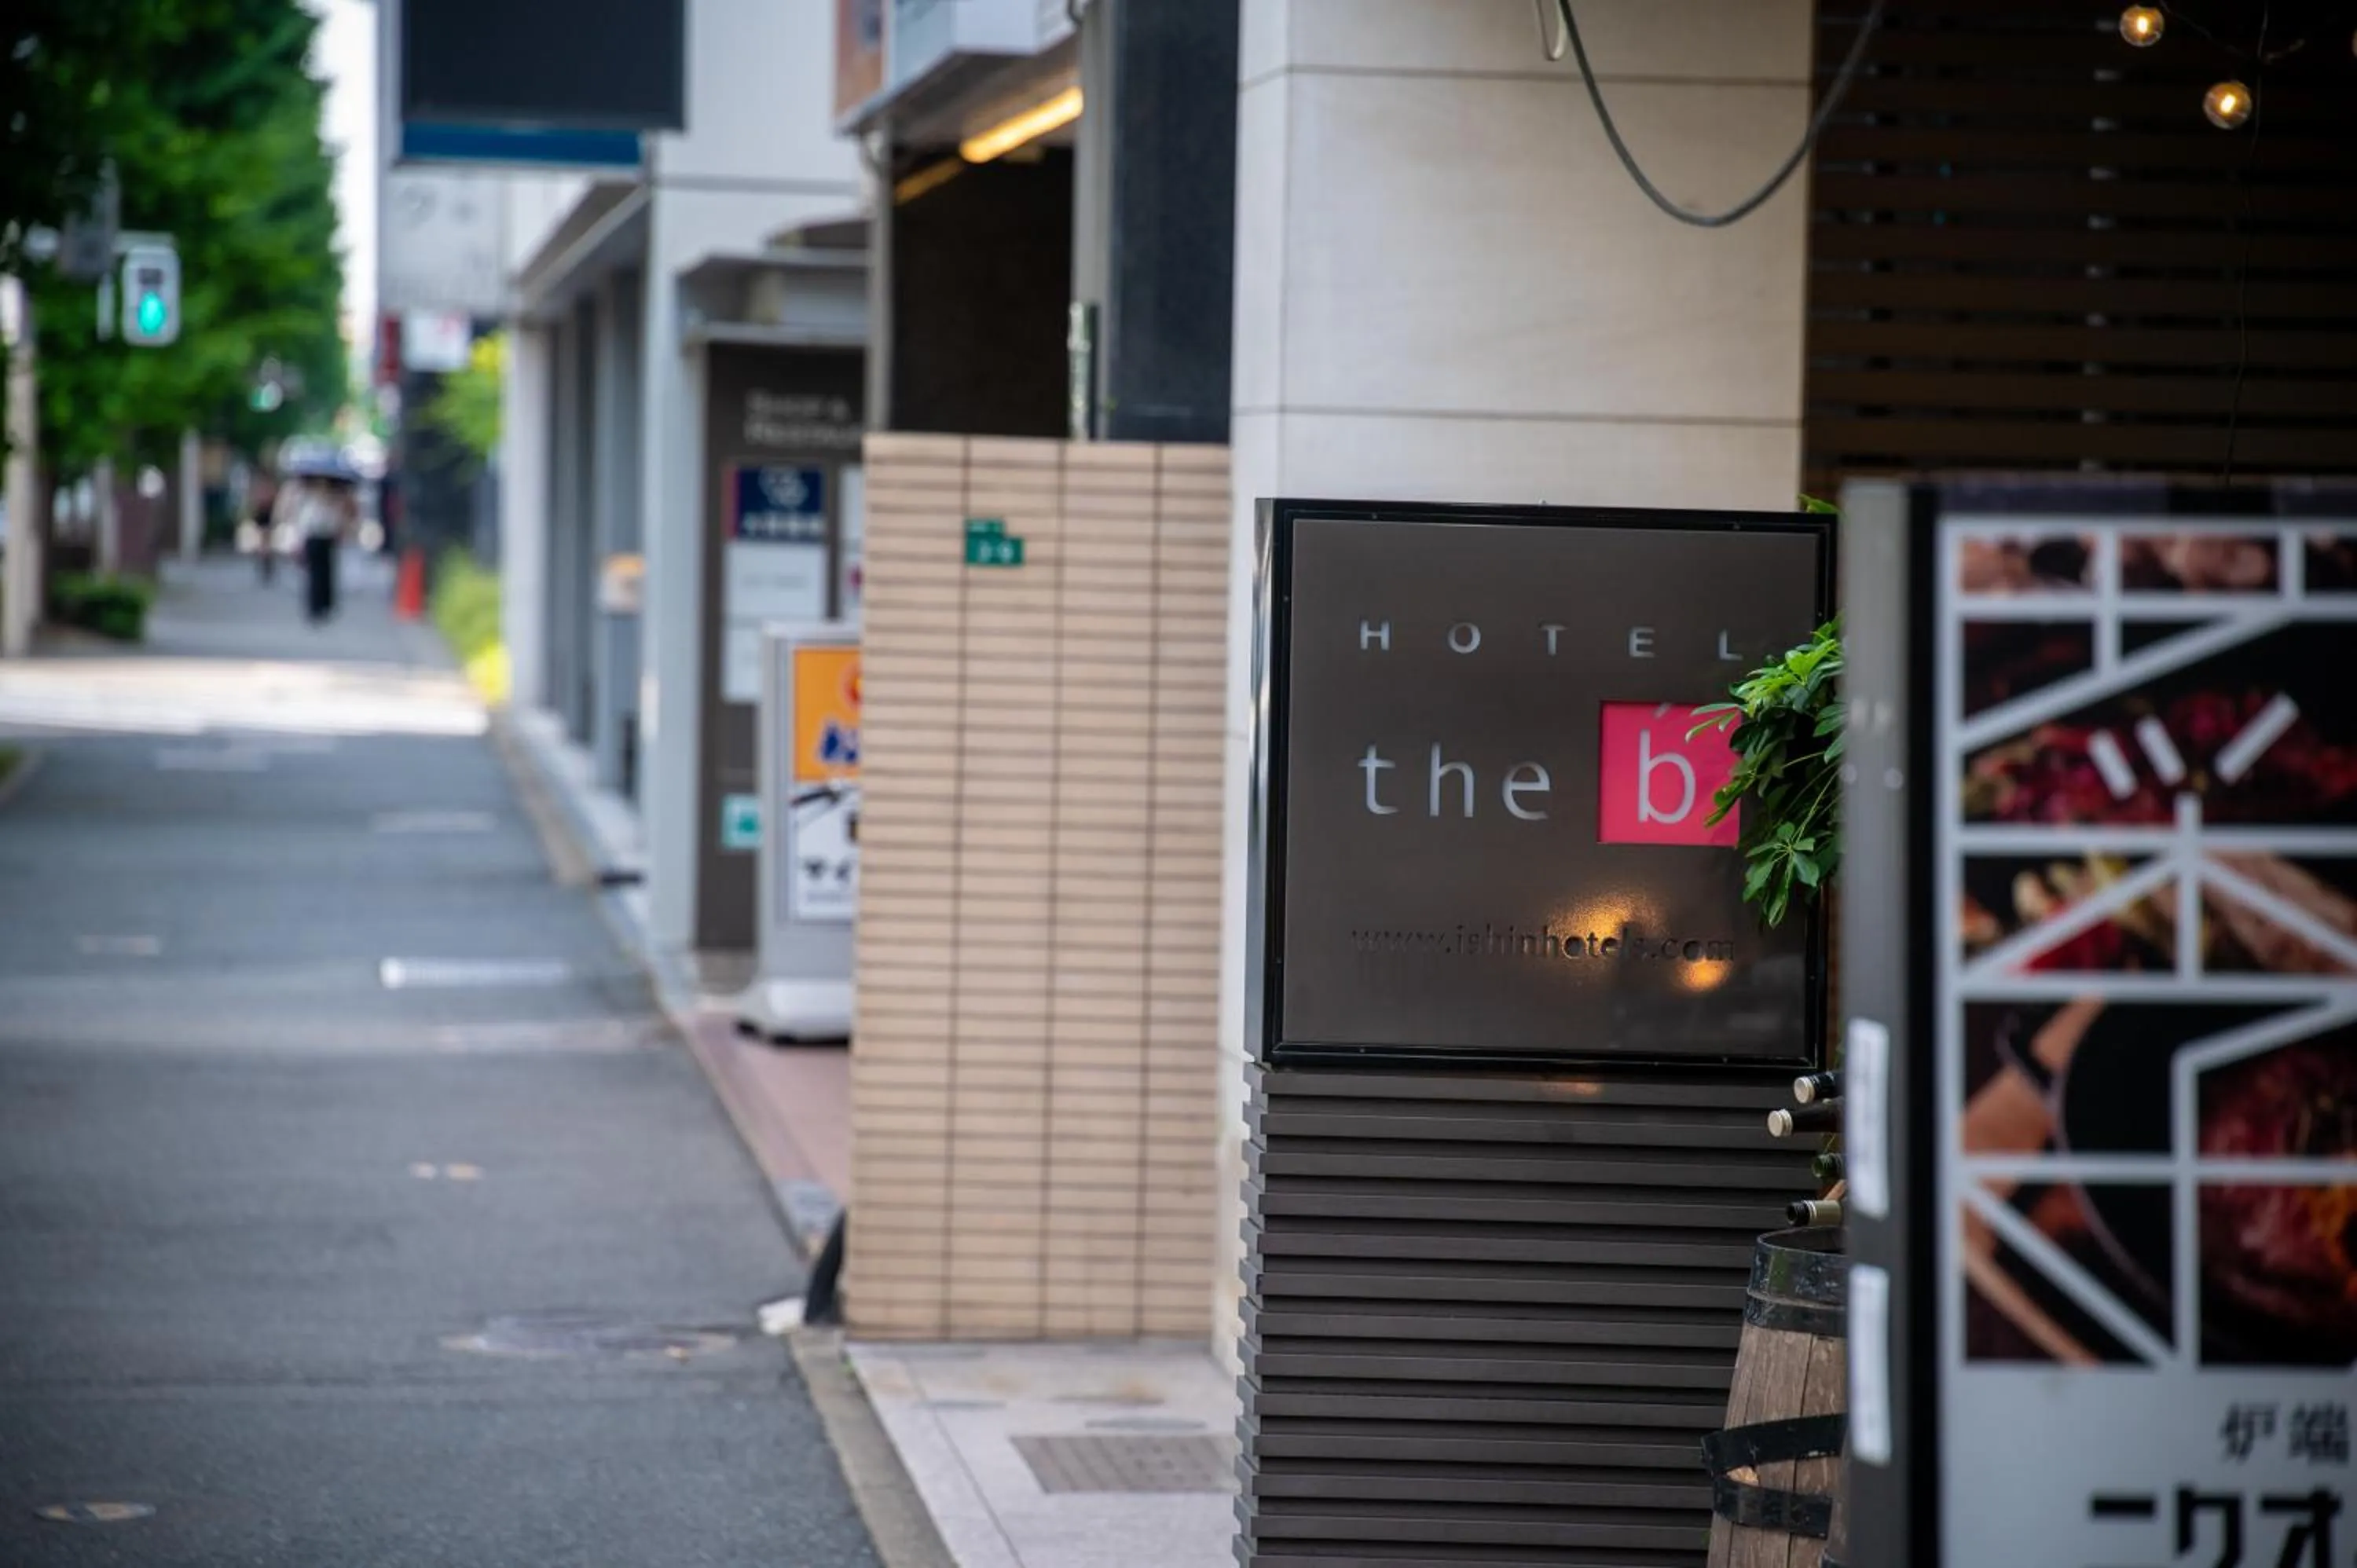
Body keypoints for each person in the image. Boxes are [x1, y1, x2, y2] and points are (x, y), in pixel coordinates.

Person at [274, 476, 355, 622]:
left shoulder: (336, 491)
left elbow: (346, 511)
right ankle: (315, 605)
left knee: (327, 571)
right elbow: (292, 509)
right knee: (314, 571)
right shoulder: (303, 489)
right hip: (311, 533)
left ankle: (326, 603)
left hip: (328, 533)